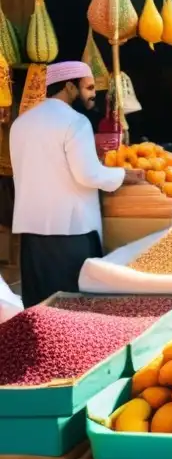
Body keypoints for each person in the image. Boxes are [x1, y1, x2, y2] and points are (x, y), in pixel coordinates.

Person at [10, 61, 145, 307]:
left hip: (32, 234)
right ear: (69, 87)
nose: (92, 93)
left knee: (40, 309)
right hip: (71, 232)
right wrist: (123, 175)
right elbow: (88, 175)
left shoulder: (20, 123)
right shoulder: (75, 122)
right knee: (74, 311)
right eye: (87, 87)